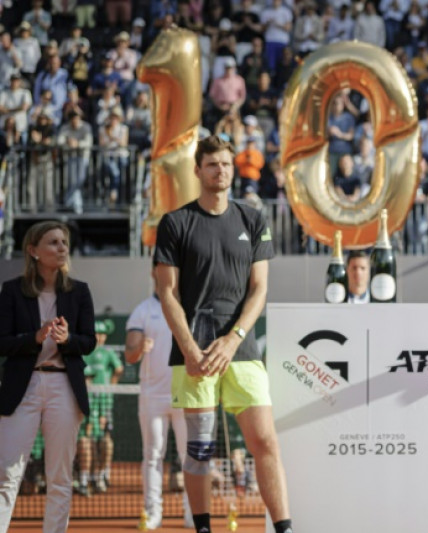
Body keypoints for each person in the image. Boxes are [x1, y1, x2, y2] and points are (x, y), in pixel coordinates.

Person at [153, 135, 293, 533]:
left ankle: (284, 528)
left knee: (265, 441)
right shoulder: (175, 223)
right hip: (193, 352)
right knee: (199, 450)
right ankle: (203, 529)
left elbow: (259, 290)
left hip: (242, 349)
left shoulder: (253, 219)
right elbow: (167, 293)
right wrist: (190, 348)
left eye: (227, 164)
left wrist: (233, 338)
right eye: (213, 164)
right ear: (198, 170)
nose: (222, 171)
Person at [0, 221, 96, 533]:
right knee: (7, 473)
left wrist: (68, 339)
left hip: (63, 387)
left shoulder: (80, 291)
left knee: (60, 477)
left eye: (64, 242)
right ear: (33, 251)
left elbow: (89, 342)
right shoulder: (12, 291)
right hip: (22, 388)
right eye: (53, 242)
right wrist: (35, 337)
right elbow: (2, 342)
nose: (62, 248)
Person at [126, 269, 192, 529]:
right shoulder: (142, 311)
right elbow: (130, 356)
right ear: (154, 273)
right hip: (152, 396)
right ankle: (153, 512)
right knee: (153, 455)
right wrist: (139, 348)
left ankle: (192, 512)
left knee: (191, 457)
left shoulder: (189, 306)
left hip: (187, 395)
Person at [78, 319, 123, 495]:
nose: (99, 337)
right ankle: (84, 478)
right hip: (84, 404)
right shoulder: (83, 352)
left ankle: (101, 475)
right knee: (85, 441)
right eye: (96, 333)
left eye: (101, 334)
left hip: (103, 403)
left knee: (104, 441)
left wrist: (110, 388)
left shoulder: (108, 353)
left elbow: (118, 369)